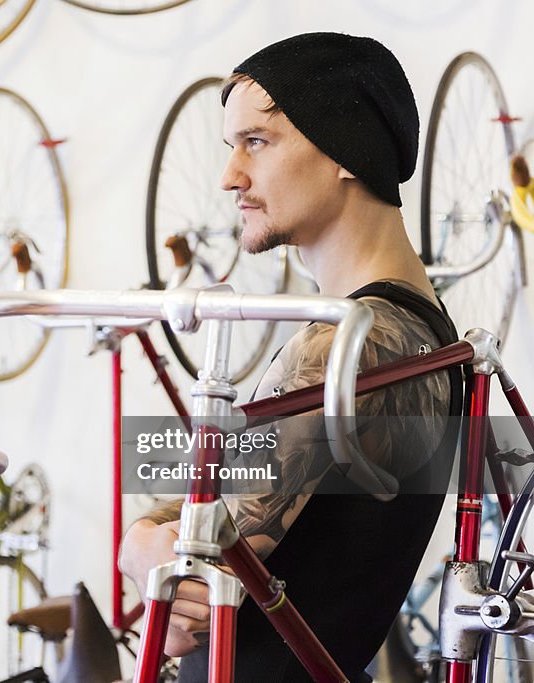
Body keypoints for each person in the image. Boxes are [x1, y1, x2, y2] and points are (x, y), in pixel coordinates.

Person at [119, 32, 462, 682]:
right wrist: (143, 536)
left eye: (258, 142)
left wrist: (140, 543)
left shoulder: (345, 345)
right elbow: (218, 506)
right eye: (232, 147)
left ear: (345, 149)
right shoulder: (421, 329)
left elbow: (191, 592)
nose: (231, 177)